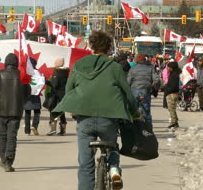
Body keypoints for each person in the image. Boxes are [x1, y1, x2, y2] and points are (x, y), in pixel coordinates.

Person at [53, 31, 140, 190]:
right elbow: (127, 93)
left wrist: (73, 110)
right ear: (108, 48)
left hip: (84, 119)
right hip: (109, 119)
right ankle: (114, 170)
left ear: (91, 46)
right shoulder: (114, 67)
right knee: (112, 145)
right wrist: (135, 114)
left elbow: (69, 88)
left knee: (86, 164)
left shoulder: (79, 64)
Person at [0, 53, 31, 172]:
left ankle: (3, 159)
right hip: (16, 111)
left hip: (1, 111)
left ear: (5, 63)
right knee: (12, 137)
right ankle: (8, 161)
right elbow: (28, 92)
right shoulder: (22, 75)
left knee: (3, 137)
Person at [127, 54, 160, 124]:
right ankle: (148, 129)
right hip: (146, 91)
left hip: (134, 90)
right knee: (146, 111)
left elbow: (128, 81)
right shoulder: (151, 68)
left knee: (133, 110)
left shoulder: (133, 69)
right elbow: (157, 80)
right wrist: (155, 89)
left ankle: (135, 127)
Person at [45, 57, 69, 136]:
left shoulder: (57, 72)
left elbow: (55, 85)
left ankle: (53, 129)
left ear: (58, 63)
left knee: (53, 111)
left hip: (56, 95)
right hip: (63, 94)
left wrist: (46, 81)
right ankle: (63, 129)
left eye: (55, 62)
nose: (54, 63)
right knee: (61, 112)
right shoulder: (65, 72)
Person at [24, 57, 42, 136]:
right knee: (37, 111)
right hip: (35, 94)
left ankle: (27, 130)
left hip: (27, 94)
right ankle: (34, 125)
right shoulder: (37, 72)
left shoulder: (26, 72)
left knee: (27, 112)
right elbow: (42, 82)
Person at [163, 62, 181, 129]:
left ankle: (173, 123)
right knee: (172, 108)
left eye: (169, 67)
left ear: (172, 68)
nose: (167, 68)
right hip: (172, 93)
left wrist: (167, 90)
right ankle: (175, 121)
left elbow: (173, 86)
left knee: (171, 109)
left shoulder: (174, 75)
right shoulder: (173, 74)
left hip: (172, 93)